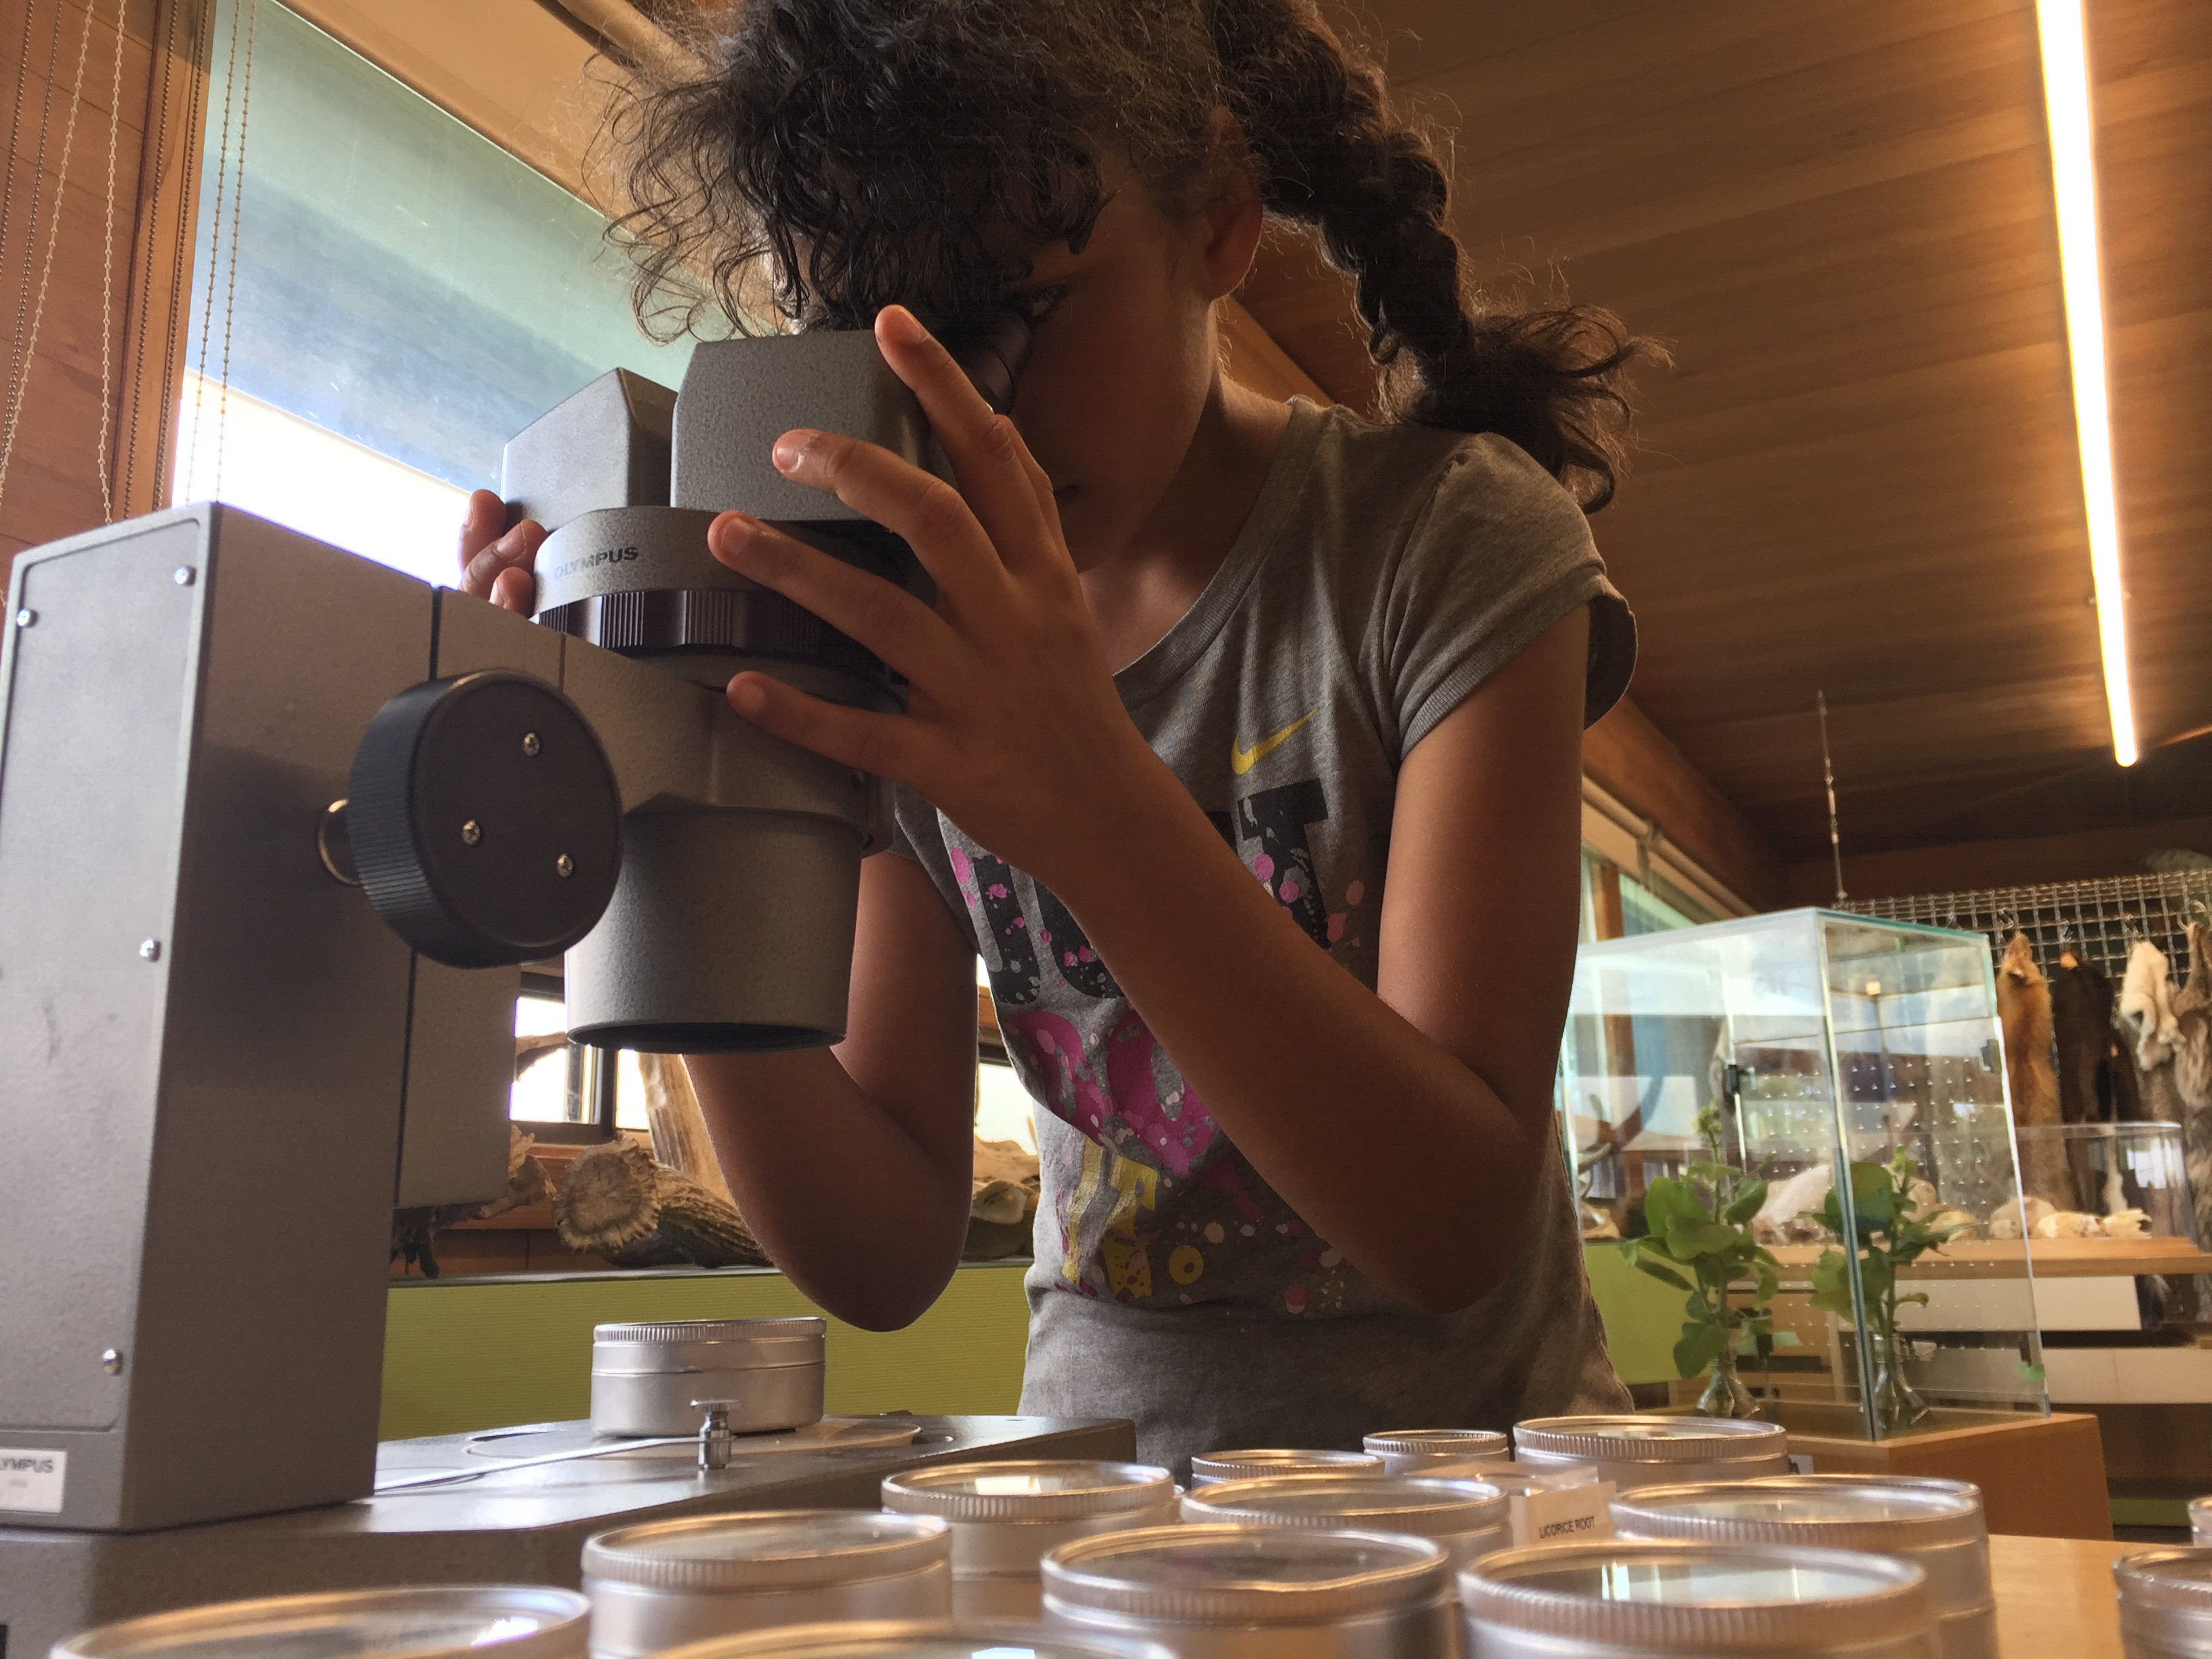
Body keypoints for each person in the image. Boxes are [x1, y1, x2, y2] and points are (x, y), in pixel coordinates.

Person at [458, 0, 1652, 1472]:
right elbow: (885, 1248)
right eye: (884, 343)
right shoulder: (891, 626)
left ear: (1217, 219)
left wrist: (1085, 795)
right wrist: (673, 799)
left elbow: (1453, 1221)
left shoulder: (1444, 544)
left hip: (1470, 1515)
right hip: (1094, 1525)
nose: (968, 422)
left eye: (1018, 315)